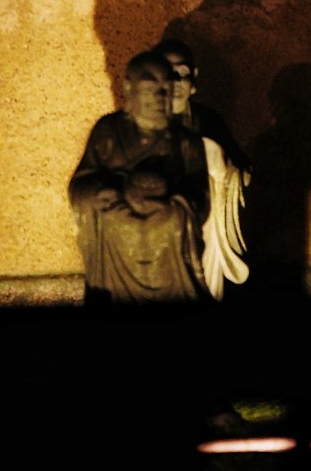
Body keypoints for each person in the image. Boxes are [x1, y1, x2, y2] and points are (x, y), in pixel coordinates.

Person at [69, 49, 208, 304]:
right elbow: (79, 186)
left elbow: (201, 198)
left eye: (166, 88)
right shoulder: (108, 133)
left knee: (174, 222)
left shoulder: (187, 142)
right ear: (129, 87)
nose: (159, 96)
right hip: (117, 240)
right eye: (149, 88)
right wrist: (101, 193)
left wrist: (174, 205)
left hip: (167, 243)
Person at [155, 37, 248, 297]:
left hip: (204, 228)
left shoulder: (207, 120)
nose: (173, 82)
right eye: (164, 73)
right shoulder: (133, 125)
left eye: (180, 74)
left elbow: (243, 171)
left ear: (194, 78)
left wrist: (221, 167)